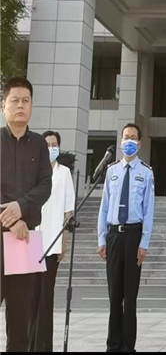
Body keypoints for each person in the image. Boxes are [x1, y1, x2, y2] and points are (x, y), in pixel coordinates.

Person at [0, 76, 53, 351]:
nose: (20, 105)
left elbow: (45, 185)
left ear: (31, 105)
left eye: (26, 100)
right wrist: (10, 220)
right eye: (15, 100)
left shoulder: (39, 144)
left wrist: (21, 208)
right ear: (3, 105)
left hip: (26, 239)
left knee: (22, 319)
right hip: (1, 233)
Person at [97, 123, 155, 353]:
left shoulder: (146, 173)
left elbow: (149, 211)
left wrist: (144, 243)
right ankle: (113, 346)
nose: (128, 141)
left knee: (129, 299)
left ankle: (128, 347)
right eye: (125, 137)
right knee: (114, 297)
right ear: (120, 141)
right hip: (114, 235)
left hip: (133, 235)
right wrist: (102, 238)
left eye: (133, 138)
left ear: (139, 143)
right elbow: (104, 207)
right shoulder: (111, 171)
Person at [31, 130, 76, 352]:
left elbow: (68, 211)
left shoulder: (64, 173)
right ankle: (29, 344)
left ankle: (43, 346)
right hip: (32, 242)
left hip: (53, 243)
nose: (51, 148)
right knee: (30, 297)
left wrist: (63, 244)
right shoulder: (33, 171)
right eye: (47, 144)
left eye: (54, 144)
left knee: (46, 297)